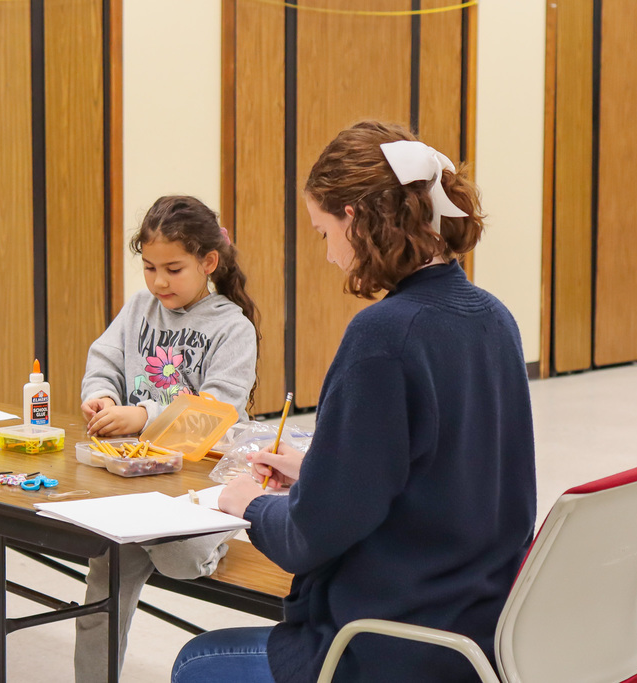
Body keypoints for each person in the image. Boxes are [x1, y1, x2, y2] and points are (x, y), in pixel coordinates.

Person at [171, 121, 536, 683]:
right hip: (480, 631)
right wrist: (317, 471)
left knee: (198, 661)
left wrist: (245, 501)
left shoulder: (383, 336)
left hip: (392, 645)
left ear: (356, 221)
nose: (328, 255)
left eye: (323, 233)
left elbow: (308, 539)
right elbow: (444, 474)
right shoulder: (494, 317)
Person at [76, 194, 260, 681]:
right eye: (150, 267)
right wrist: (101, 396)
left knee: (180, 562)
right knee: (102, 586)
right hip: (136, 480)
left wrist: (140, 415)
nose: (159, 282)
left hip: (193, 480)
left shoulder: (232, 328)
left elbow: (215, 415)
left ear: (208, 262)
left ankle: (218, 528)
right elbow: (106, 362)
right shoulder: (140, 307)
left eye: (174, 269)